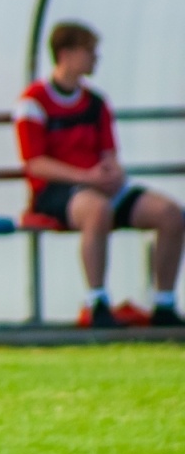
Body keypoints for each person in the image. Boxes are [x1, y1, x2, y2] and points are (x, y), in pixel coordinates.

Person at [13, 21, 183, 327]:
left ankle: (164, 303)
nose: (95, 58)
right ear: (66, 54)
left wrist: (111, 172)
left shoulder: (96, 102)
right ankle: (97, 301)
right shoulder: (33, 102)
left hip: (98, 185)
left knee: (170, 214)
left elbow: (109, 152)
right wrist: (85, 177)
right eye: (89, 51)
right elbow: (35, 163)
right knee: (97, 210)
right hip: (56, 191)